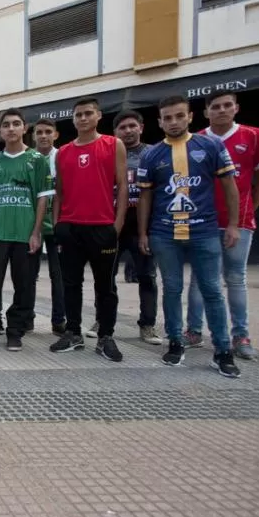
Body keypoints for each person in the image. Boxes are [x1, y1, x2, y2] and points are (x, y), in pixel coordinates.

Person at [138, 95, 241, 378]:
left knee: (212, 291)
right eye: (167, 118)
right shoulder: (152, 154)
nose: (173, 122)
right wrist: (143, 232)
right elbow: (145, 195)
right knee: (171, 289)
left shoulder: (211, 145)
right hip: (164, 234)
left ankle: (222, 351)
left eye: (178, 116)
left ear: (190, 116)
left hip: (204, 232)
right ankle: (175, 342)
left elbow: (231, 186)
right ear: (159, 121)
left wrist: (233, 224)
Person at [184, 91, 259, 360]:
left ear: (236, 108)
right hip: (203, 223)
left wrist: (247, 210)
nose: (221, 110)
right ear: (206, 112)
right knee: (199, 280)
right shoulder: (196, 139)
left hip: (239, 224)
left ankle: (240, 335)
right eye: (215, 107)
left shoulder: (255, 135)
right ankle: (193, 331)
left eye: (227, 105)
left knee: (235, 279)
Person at [49, 97, 128, 362]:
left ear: (98, 115)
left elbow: (123, 188)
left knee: (105, 286)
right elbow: (59, 192)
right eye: (78, 115)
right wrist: (58, 223)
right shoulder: (63, 152)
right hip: (70, 228)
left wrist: (116, 226)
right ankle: (73, 332)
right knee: (70, 284)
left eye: (87, 113)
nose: (82, 118)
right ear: (73, 119)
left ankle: (106, 336)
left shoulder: (113, 144)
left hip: (102, 228)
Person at [0, 109, 52, 351]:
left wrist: (36, 232)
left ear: (24, 128)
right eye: (6, 125)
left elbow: (42, 199)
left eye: (16, 124)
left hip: (25, 235)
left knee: (24, 284)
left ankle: (15, 330)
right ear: (1, 130)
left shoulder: (37, 160)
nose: (11, 128)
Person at [83, 111, 161, 344]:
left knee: (147, 276)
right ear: (115, 132)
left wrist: (147, 229)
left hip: (142, 226)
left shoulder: (152, 154)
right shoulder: (107, 153)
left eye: (132, 126)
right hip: (110, 225)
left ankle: (147, 325)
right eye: (122, 128)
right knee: (105, 277)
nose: (128, 131)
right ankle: (102, 320)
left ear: (141, 127)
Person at [28, 118, 66, 336]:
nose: (43, 135)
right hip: (31, 226)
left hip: (56, 226)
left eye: (47, 131)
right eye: (39, 131)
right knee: (28, 275)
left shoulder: (62, 157)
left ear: (55, 134)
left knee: (57, 275)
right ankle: (27, 317)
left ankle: (59, 320)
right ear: (33, 135)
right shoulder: (28, 159)